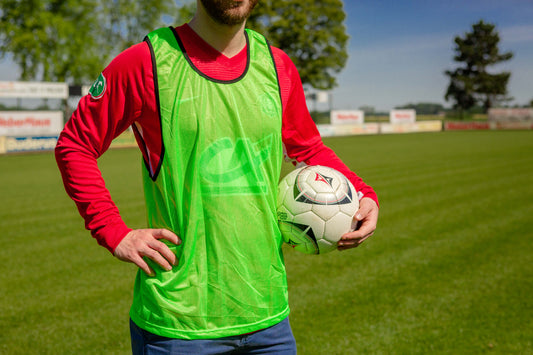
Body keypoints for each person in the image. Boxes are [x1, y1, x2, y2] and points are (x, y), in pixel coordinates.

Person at [55, 0, 379, 353]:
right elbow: (75, 144)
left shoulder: (278, 66)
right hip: (179, 324)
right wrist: (112, 231)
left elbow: (309, 148)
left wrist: (362, 193)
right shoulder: (147, 62)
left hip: (268, 316)